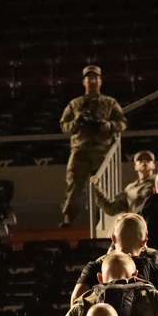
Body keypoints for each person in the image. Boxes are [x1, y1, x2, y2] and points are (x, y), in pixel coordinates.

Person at [59, 66, 127, 227]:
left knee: (101, 187)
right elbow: (64, 125)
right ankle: (69, 217)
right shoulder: (75, 104)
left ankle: (101, 219)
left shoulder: (109, 103)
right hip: (80, 150)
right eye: (89, 79)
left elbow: (122, 123)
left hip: (101, 150)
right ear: (84, 82)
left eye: (95, 78)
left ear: (100, 81)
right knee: (74, 184)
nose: (92, 81)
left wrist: (108, 126)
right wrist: (76, 122)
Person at [92, 150, 157, 221]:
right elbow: (111, 209)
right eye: (140, 160)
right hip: (138, 227)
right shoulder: (130, 188)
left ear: (153, 165)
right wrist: (96, 189)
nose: (144, 161)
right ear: (135, 167)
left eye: (148, 160)